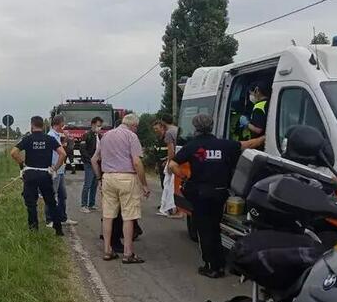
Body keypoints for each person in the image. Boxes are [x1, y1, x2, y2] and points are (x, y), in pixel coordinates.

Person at [168, 113, 265, 278]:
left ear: (196, 128)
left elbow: (172, 164)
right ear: (211, 126)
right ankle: (219, 264)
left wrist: (184, 177)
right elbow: (249, 144)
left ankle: (211, 266)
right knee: (214, 227)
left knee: (204, 230)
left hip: (200, 194)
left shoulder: (193, 146)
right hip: (220, 193)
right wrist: (265, 136)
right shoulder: (224, 145)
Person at [92, 114, 150, 264]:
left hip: (108, 178)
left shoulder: (106, 136)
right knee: (129, 216)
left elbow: (94, 159)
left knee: (108, 215)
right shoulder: (131, 136)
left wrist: (99, 178)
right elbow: (137, 162)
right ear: (134, 126)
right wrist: (144, 184)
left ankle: (107, 250)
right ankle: (128, 253)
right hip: (126, 177)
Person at [11, 116, 67, 235]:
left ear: (32, 125)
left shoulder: (27, 139)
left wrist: (22, 164)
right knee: (51, 202)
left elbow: (13, 152)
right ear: (43, 126)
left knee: (31, 203)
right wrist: (55, 168)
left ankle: (33, 230)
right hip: (45, 174)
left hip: (30, 174)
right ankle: (58, 230)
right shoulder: (49, 139)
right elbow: (63, 154)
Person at [46, 115, 78, 227]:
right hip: (55, 169)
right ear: (58, 124)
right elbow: (57, 153)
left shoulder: (57, 136)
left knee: (62, 195)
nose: (63, 127)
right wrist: (53, 168)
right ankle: (50, 219)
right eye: (62, 124)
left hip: (60, 170)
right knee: (52, 195)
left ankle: (63, 217)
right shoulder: (51, 136)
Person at [152, 117, 183, 218]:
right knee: (173, 186)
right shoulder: (178, 130)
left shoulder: (169, 133)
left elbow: (171, 151)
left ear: (163, 125)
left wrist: (169, 163)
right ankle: (173, 208)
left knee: (169, 186)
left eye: (157, 128)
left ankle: (172, 208)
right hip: (179, 162)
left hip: (172, 163)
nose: (156, 131)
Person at [80, 116, 103, 213]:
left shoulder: (100, 136)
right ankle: (83, 205)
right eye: (98, 126)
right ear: (93, 125)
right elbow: (83, 149)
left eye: (101, 126)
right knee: (88, 184)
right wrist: (89, 160)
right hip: (89, 163)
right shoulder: (86, 135)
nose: (99, 128)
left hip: (97, 164)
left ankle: (91, 204)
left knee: (95, 184)